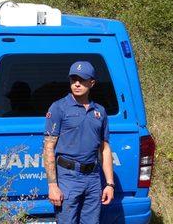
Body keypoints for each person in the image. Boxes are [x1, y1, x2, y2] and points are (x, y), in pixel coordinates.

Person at [43, 61, 115, 224]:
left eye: (82, 79)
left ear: (92, 83)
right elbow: (48, 147)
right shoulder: (59, 108)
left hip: (93, 177)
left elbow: (104, 149)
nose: (76, 83)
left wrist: (110, 183)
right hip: (68, 178)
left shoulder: (100, 111)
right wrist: (52, 185)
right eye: (73, 79)